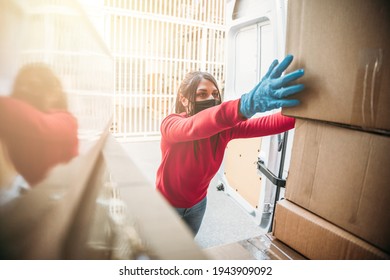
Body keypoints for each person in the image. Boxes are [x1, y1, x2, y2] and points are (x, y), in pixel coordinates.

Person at [156, 54, 304, 236]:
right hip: (165, 205)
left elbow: (267, 124)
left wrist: (307, 111)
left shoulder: (224, 130)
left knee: (184, 251)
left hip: (197, 205)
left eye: (215, 94)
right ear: (184, 99)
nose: (211, 98)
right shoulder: (171, 124)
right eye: (202, 94)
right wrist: (245, 104)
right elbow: (193, 127)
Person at [0, 63, 79, 204]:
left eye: (34, 86)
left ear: (53, 93)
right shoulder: (16, 122)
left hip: (54, 203)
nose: (24, 89)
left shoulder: (66, 120)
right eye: (20, 85)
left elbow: (38, 125)